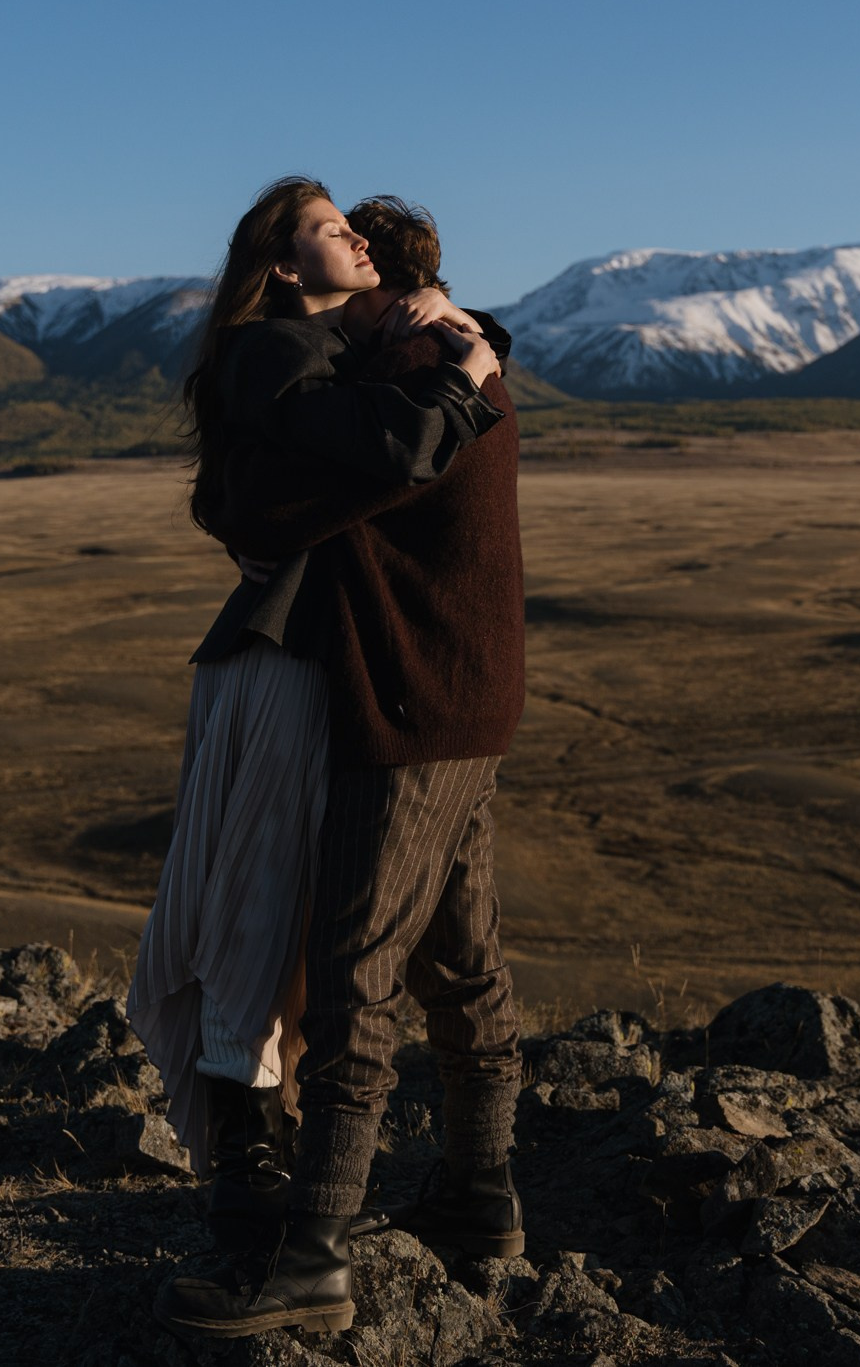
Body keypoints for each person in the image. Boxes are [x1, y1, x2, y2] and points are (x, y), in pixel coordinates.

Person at [140, 179, 529, 1343]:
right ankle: (481, 1193)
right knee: (460, 957)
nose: (355, 257)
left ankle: (312, 1252)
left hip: (409, 698)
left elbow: (272, 498)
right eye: (330, 234)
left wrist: (452, 359)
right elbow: (257, 494)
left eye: (371, 261)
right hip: (463, 695)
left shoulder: (418, 373)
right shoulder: (417, 360)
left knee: (355, 973)